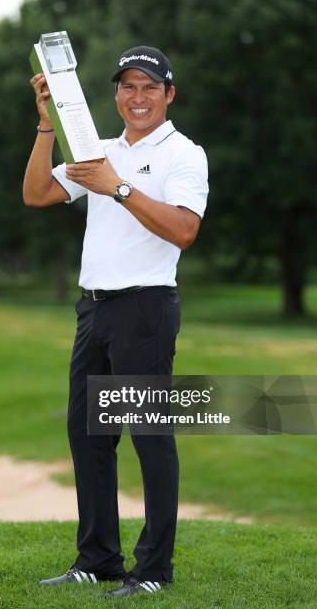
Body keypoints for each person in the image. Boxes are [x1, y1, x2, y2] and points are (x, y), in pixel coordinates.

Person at [23, 45, 209, 599]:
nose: (137, 97)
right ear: (115, 95)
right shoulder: (95, 150)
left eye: (149, 86)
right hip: (95, 310)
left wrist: (119, 188)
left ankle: (153, 569)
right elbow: (36, 194)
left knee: (151, 438)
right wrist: (45, 126)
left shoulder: (184, 153)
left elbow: (183, 230)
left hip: (146, 310)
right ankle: (99, 558)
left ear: (169, 94)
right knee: (88, 437)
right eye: (127, 86)